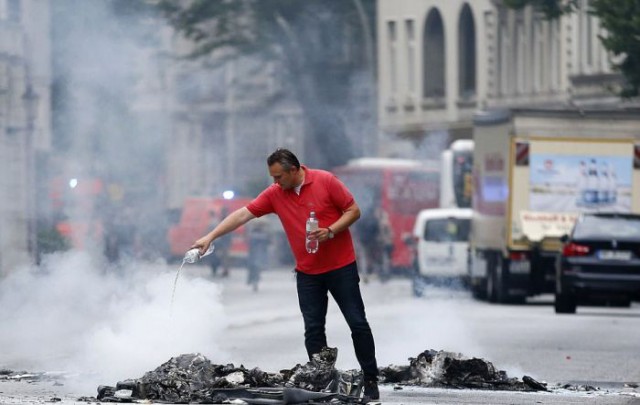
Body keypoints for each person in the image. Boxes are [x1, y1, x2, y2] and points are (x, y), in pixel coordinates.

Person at [192, 148, 380, 400]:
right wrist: (210, 236)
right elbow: (243, 214)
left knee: (357, 323)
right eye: (273, 177)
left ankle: (370, 379)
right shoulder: (275, 194)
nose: (275, 182)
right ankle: (320, 383)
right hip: (307, 272)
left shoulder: (326, 181)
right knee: (313, 330)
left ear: (295, 170)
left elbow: (353, 210)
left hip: (341, 267)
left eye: (279, 176)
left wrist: (330, 231)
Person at [246, 218, 270, 291]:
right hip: (257, 256)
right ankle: (254, 280)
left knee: (253, 266)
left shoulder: (253, 235)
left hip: (255, 256)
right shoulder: (263, 235)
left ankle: (252, 280)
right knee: (256, 266)